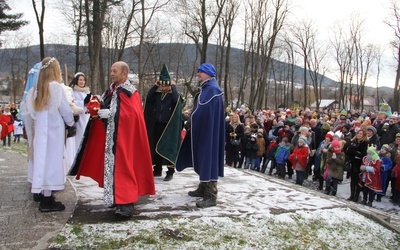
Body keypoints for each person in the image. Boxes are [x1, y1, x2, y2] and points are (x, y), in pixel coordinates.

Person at [69, 61, 155, 217]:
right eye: (111, 70)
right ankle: (117, 199)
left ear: (124, 73)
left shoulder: (129, 92)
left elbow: (132, 115)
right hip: (112, 138)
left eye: (115, 71)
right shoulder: (112, 90)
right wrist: (97, 105)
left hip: (124, 140)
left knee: (124, 168)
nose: (111, 73)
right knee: (115, 169)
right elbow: (106, 104)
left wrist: (111, 114)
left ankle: (127, 204)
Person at [20, 57, 75, 212]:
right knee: (53, 162)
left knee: (42, 161)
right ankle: (47, 199)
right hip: (54, 132)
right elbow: (65, 110)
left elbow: (29, 112)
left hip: (40, 132)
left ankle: (42, 192)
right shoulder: (55, 88)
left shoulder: (35, 90)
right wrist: (71, 122)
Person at [176, 63, 225, 208]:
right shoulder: (208, 89)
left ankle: (211, 195)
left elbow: (201, 111)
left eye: (201, 72)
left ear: (208, 73)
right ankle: (203, 187)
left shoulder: (211, 90)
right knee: (203, 157)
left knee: (208, 158)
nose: (198, 74)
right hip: (205, 130)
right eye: (198, 71)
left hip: (207, 132)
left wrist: (189, 121)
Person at [144, 64, 183, 181]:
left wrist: (174, 87)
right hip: (156, 124)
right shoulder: (157, 95)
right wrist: (154, 86)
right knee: (156, 146)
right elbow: (148, 97)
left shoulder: (173, 95)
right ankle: (157, 169)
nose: (164, 87)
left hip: (169, 126)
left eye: (166, 85)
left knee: (168, 147)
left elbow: (177, 101)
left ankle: (170, 171)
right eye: (162, 85)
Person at [69, 72, 90, 153]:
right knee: (79, 137)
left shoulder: (87, 92)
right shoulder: (72, 91)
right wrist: (82, 103)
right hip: (78, 118)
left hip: (86, 117)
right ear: (76, 81)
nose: (82, 82)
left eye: (83, 80)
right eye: (80, 80)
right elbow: (71, 102)